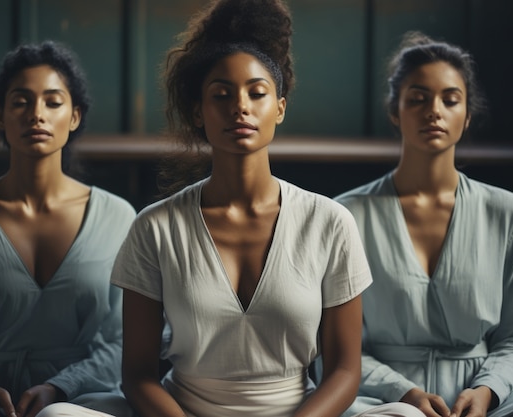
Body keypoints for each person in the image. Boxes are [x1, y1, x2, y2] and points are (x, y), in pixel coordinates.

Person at [37, 1, 425, 417]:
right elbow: (137, 375)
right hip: (184, 410)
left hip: (298, 413)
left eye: (257, 93)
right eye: (221, 95)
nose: (240, 106)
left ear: (279, 107)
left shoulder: (329, 222)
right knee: (56, 416)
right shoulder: (156, 227)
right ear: (198, 112)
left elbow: (345, 370)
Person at [331, 31, 513, 416]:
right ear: (394, 111)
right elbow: (337, 349)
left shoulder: (509, 213)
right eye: (417, 99)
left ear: (466, 117)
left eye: (450, 100)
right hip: (382, 397)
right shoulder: (346, 216)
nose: (434, 110)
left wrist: (488, 390)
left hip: (483, 393)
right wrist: (405, 394)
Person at [0, 41, 136, 417]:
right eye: (21, 101)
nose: (36, 114)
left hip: (82, 397)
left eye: (53, 102)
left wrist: (60, 387)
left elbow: (122, 342)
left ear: (74, 116)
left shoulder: (118, 217)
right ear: (0, 116)